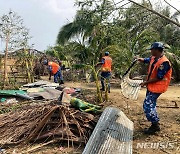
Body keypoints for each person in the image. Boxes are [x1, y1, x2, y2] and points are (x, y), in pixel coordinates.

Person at [138, 42, 172, 135]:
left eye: (152, 49)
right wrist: (142, 60)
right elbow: (149, 60)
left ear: (157, 50)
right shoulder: (155, 57)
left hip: (158, 87)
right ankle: (154, 123)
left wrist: (145, 82)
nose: (151, 51)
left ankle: (155, 125)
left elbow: (159, 77)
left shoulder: (164, 62)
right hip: (151, 86)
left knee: (147, 105)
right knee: (150, 104)